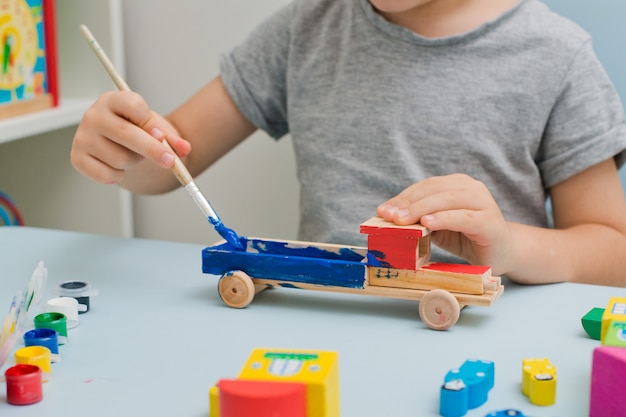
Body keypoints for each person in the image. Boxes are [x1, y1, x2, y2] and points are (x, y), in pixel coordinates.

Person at [71, 0, 626, 287]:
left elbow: (615, 253)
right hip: (318, 335)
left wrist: (509, 249)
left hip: (484, 344)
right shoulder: (307, 26)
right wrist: (122, 150)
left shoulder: (556, 55)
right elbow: (170, 160)